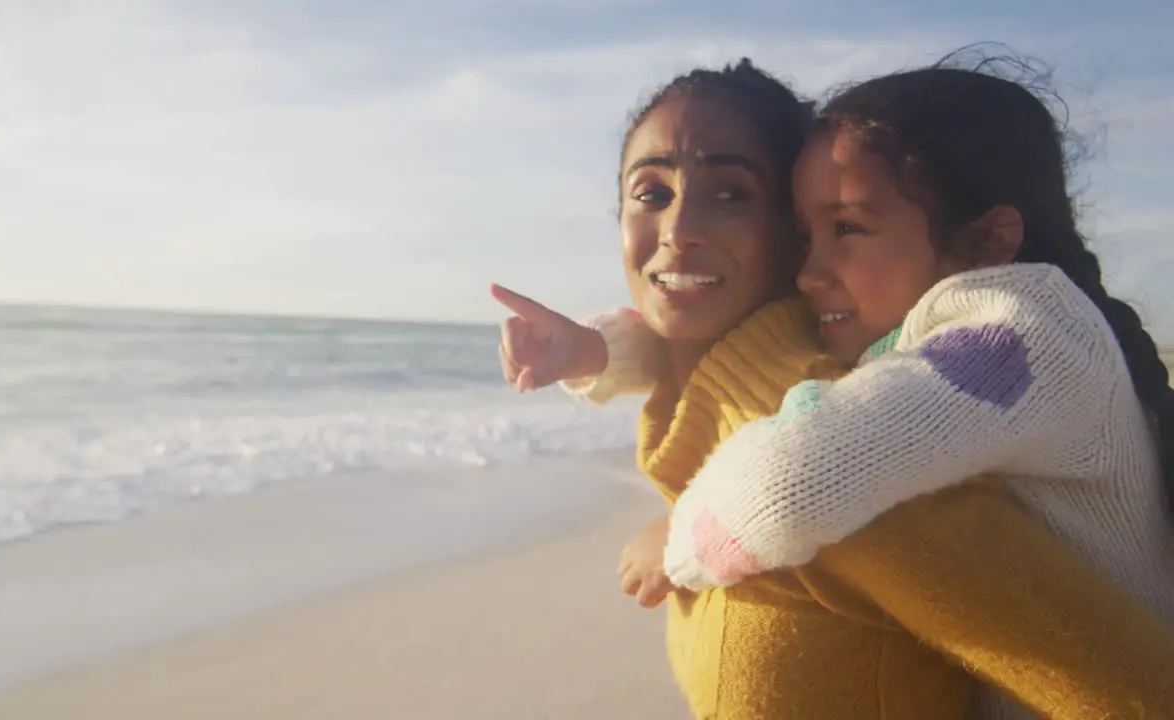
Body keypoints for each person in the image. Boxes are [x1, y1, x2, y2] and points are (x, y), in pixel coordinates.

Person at [493, 56, 1174, 719]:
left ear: (988, 239)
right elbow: (730, 350)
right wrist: (593, 350)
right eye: (650, 194)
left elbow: (802, 471)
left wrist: (677, 543)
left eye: (846, 228)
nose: (812, 269)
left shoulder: (1015, 336)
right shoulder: (923, 344)